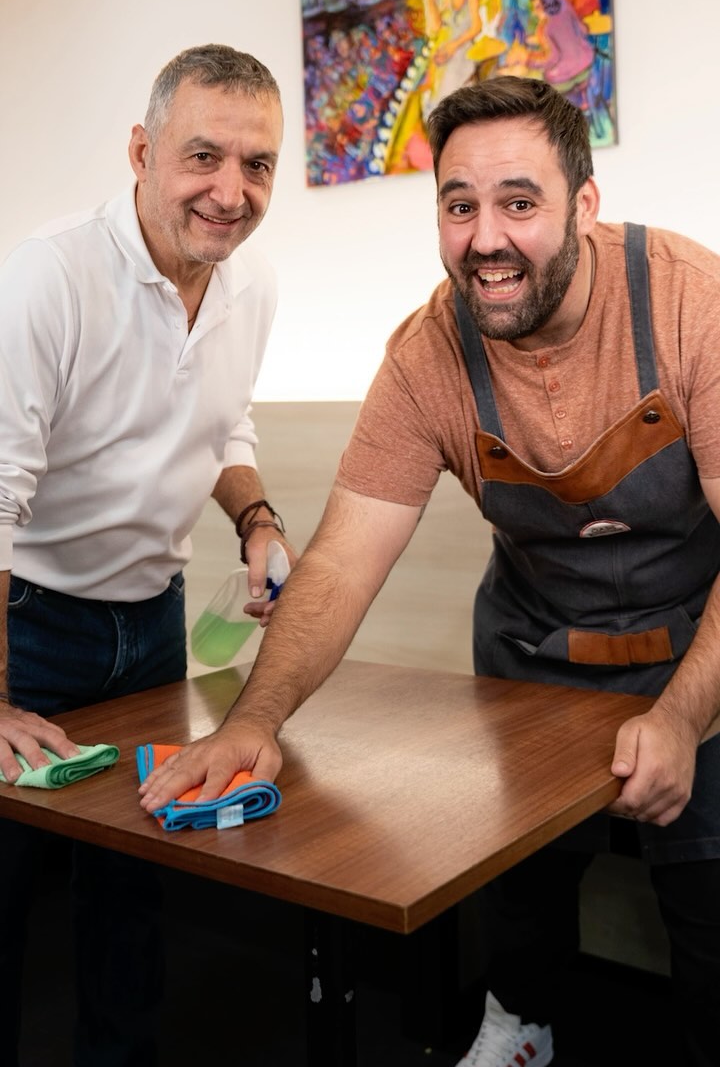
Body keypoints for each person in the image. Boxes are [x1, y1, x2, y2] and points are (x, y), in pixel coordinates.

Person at [139, 76, 720, 1067]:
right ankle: (519, 1028)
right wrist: (253, 720)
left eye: (519, 202)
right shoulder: (425, 357)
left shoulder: (690, 303)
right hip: (534, 654)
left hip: (698, 651)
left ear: (584, 204)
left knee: (708, 901)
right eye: (459, 206)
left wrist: (680, 716)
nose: (486, 238)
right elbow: (340, 562)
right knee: (520, 886)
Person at [0, 43, 296, 1067]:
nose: (231, 191)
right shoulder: (49, 275)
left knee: (132, 891)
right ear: (140, 152)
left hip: (153, 626)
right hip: (30, 623)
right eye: (202, 156)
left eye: (257, 164)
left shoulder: (252, 284)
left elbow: (224, 427)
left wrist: (257, 521)